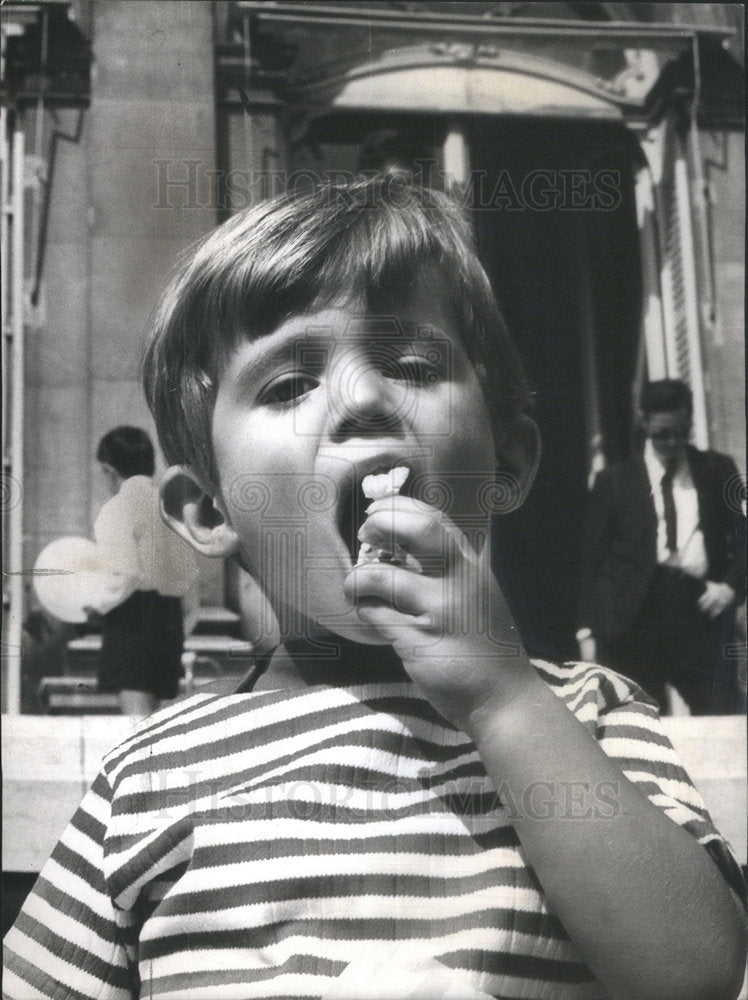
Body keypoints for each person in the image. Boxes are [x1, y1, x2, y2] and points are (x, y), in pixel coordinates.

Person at [4, 180, 745, 1000]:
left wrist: (505, 703)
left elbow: (696, 974)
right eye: (287, 386)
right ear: (209, 510)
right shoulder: (147, 776)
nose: (361, 400)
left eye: (413, 364)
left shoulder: (587, 718)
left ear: (507, 462)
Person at [577, 380, 746, 715]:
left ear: (689, 424)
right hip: (632, 621)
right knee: (639, 724)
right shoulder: (614, 481)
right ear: (645, 423)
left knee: (723, 715)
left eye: (680, 433)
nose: (671, 442)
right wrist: (586, 630)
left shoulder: (718, 470)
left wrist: (731, 587)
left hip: (700, 611)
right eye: (662, 434)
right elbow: (591, 559)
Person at [93, 426, 199, 716]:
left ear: (108, 468)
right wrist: (181, 623)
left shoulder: (117, 507)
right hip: (170, 618)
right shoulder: (171, 507)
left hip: (132, 620)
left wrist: (96, 604)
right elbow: (190, 577)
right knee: (158, 719)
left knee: (136, 722)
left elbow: (125, 574)